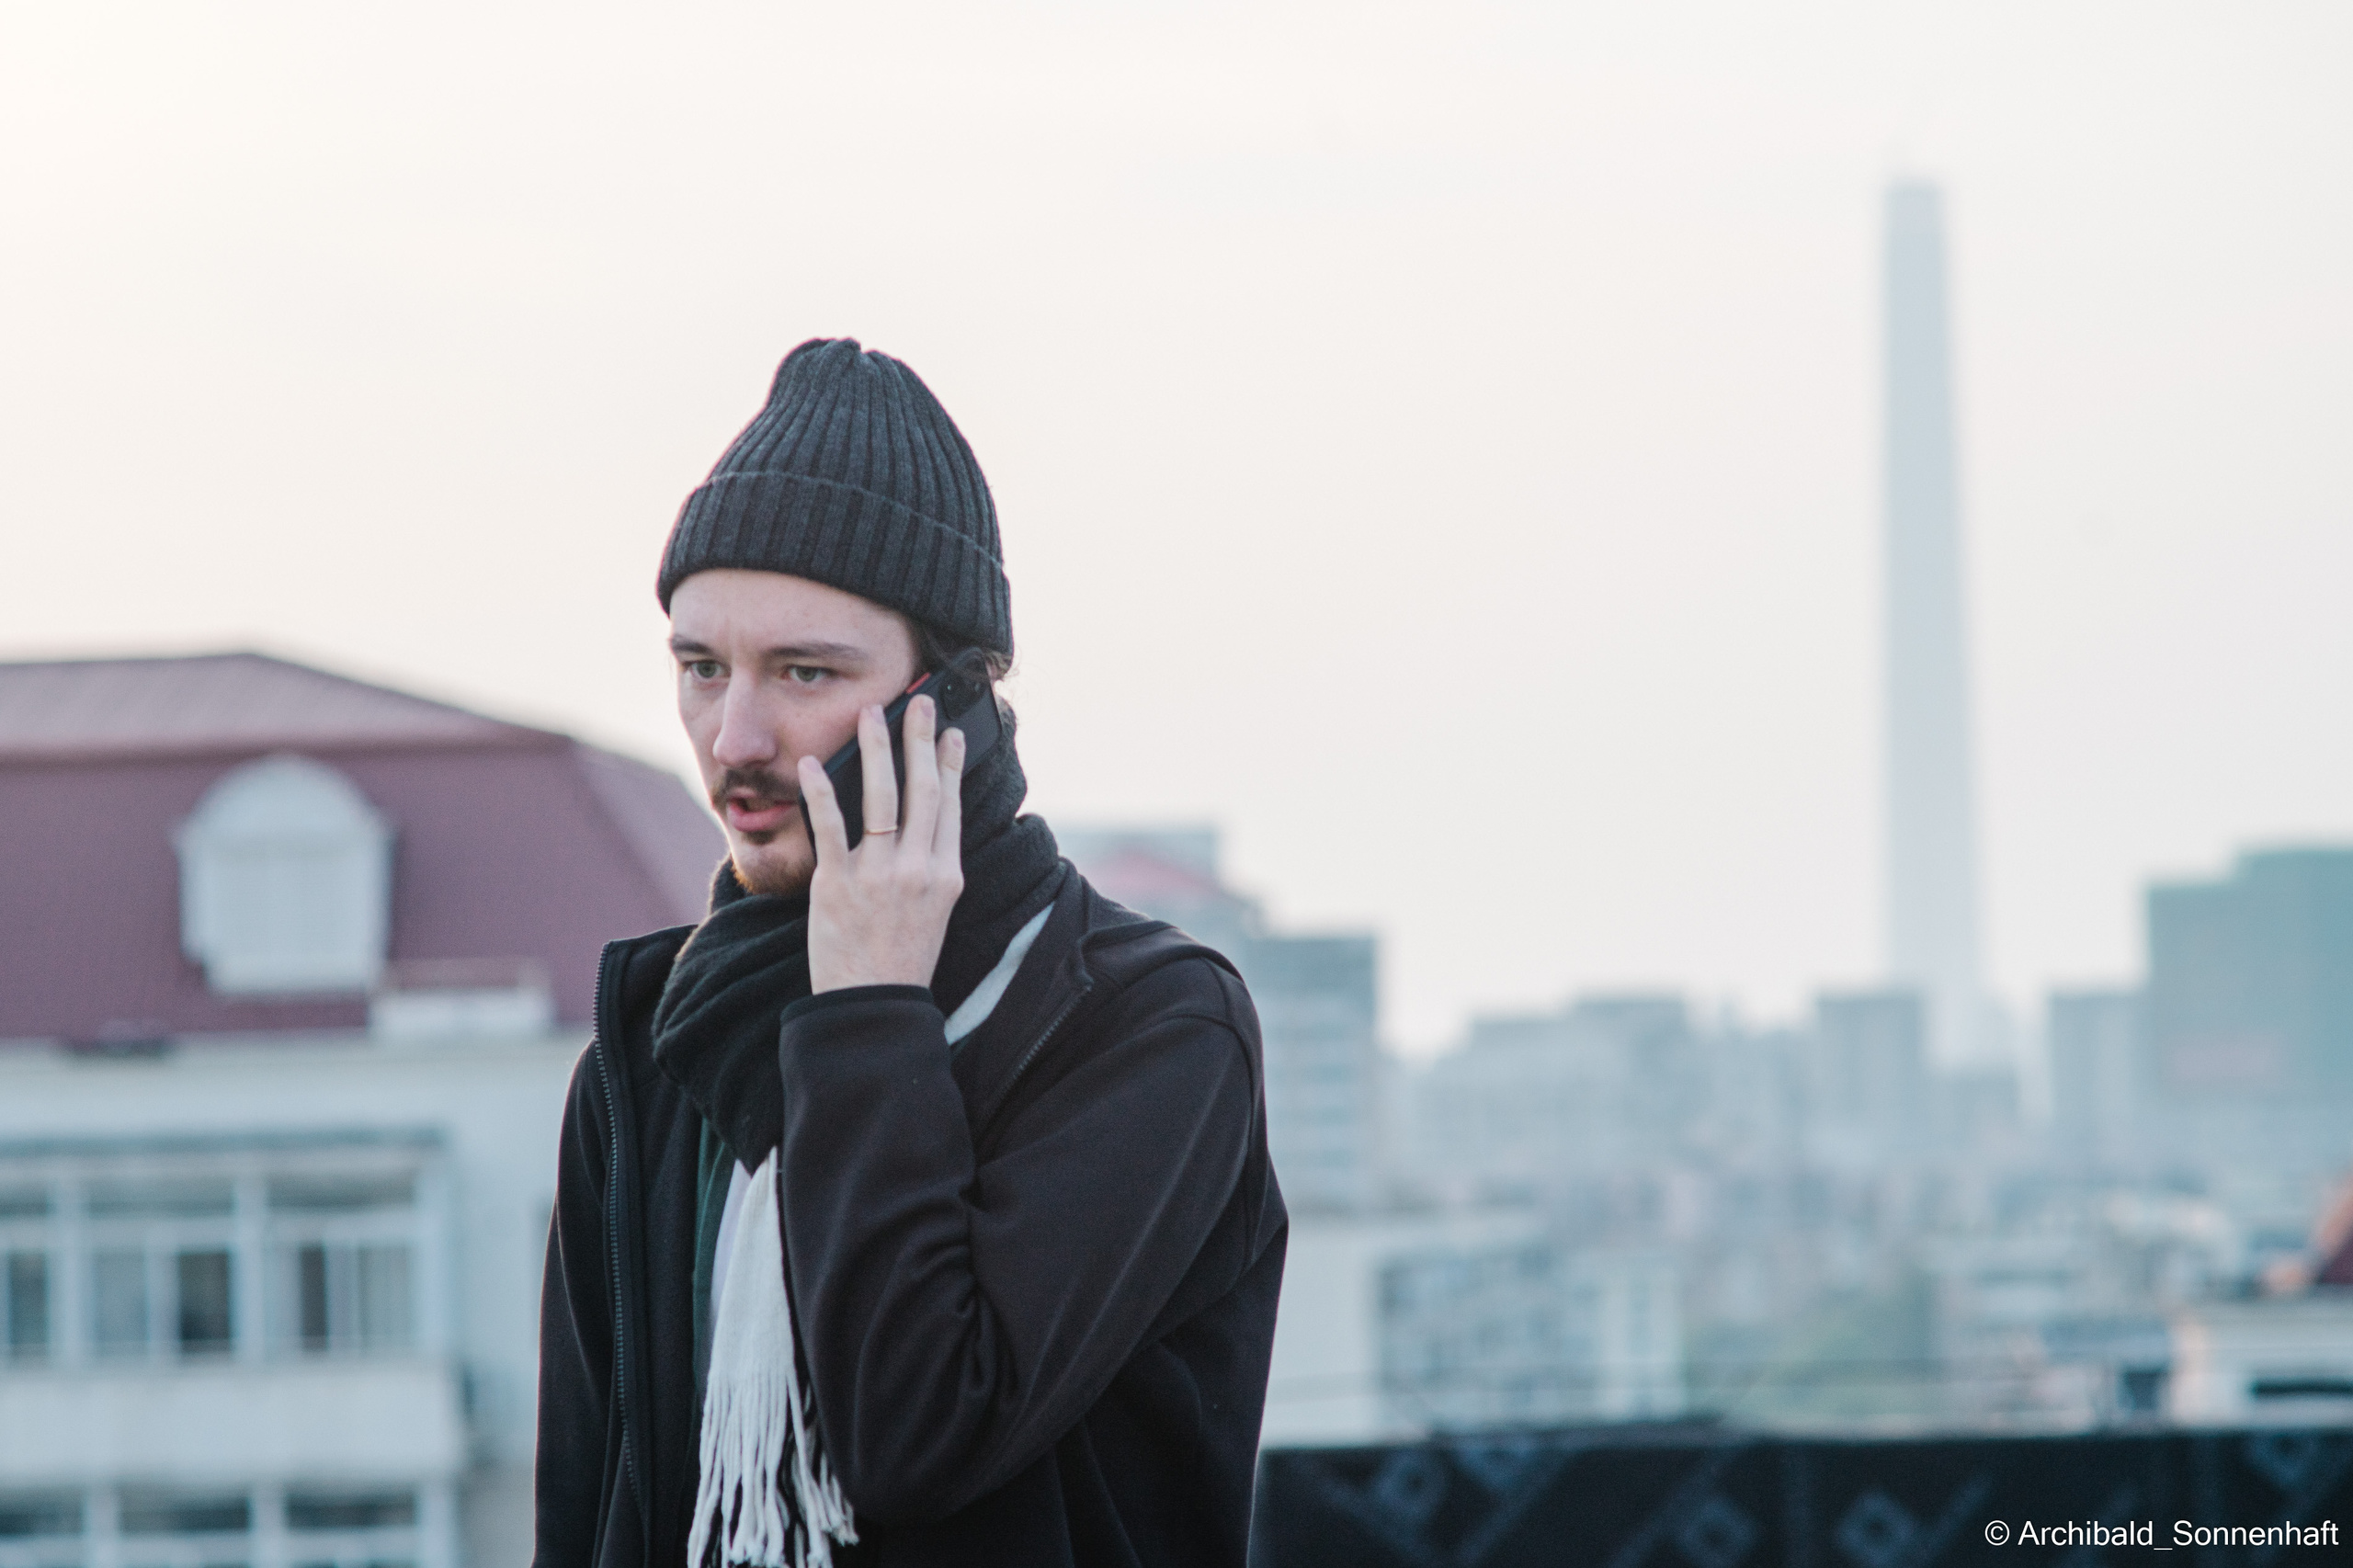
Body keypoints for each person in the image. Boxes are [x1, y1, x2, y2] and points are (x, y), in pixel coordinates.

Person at [534, 338, 1288, 1568]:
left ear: (948, 699)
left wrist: (870, 1006)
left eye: (805, 671)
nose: (734, 737)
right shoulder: (661, 1042)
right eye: (701, 668)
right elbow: (588, 1515)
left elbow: (919, 1435)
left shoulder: (1144, 1027)